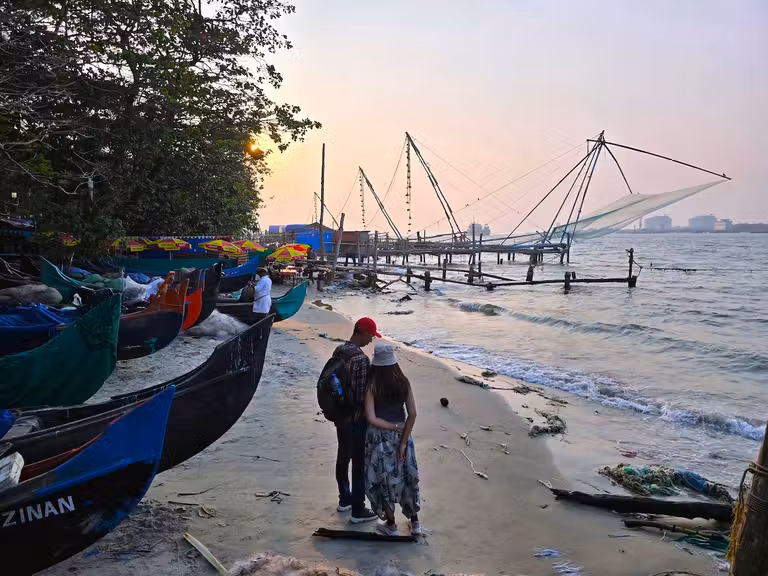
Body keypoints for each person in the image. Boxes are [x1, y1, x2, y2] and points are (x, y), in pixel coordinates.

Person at [364, 342, 421, 536]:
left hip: (379, 439)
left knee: (383, 481)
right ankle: (415, 524)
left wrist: (391, 426)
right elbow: (413, 414)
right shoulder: (403, 383)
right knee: (407, 477)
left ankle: (391, 524)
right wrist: (403, 439)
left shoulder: (372, 385)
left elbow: (371, 418)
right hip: (403, 436)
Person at [333, 318, 381, 523]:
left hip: (339, 414)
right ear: (361, 332)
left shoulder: (340, 350)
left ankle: (345, 499)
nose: (371, 339)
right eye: (371, 335)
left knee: (343, 456)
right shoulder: (361, 360)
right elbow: (362, 396)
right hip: (355, 418)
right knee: (359, 464)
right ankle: (358, 510)